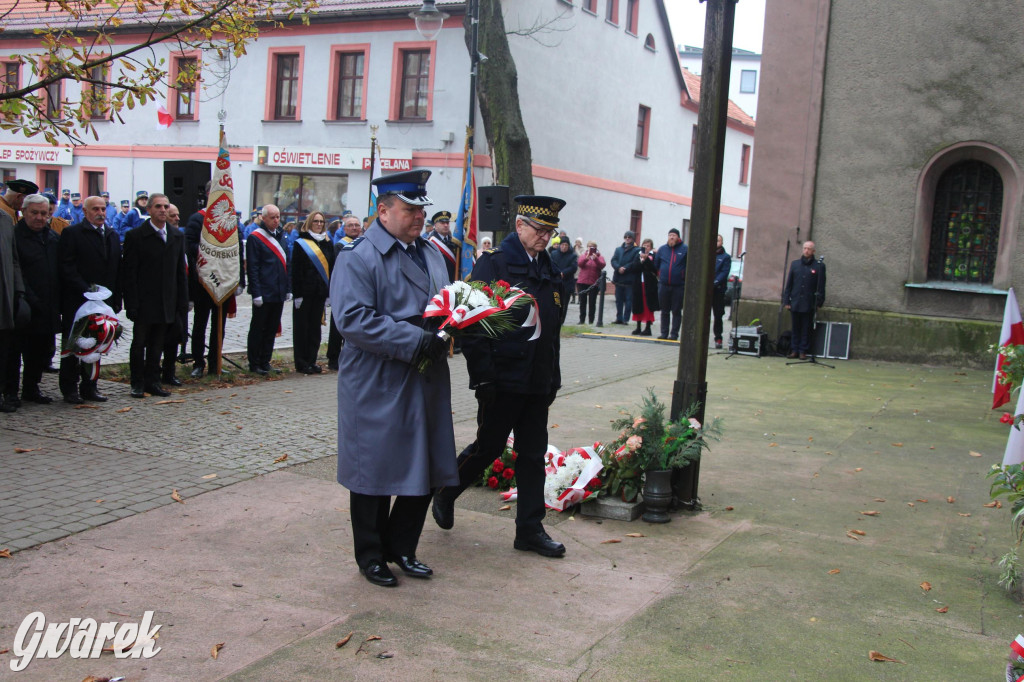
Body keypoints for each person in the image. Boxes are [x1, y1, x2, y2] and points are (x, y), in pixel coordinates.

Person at [331, 169, 457, 587]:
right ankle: (370, 556)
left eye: (421, 208)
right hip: (378, 378)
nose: (419, 216)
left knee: (424, 464)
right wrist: (417, 340)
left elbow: (446, 303)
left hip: (424, 376)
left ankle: (402, 547)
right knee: (374, 470)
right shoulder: (358, 255)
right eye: (409, 209)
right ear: (383, 211)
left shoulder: (433, 253)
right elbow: (352, 319)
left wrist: (458, 327)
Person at [432, 194, 569, 559]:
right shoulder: (494, 265)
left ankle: (529, 529)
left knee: (532, 453)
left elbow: (552, 331)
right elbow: (470, 326)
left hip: (537, 381)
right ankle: (447, 490)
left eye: (551, 233)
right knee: (489, 447)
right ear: (520, 226)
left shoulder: (550, 269)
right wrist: (484, 379)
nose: (545, 238)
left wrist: (552, 377)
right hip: (502, 379)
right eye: (540, 230)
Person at [122, 193, 188, 399]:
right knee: (139, 343)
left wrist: (182, 302)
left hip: (167, 301)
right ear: (149, 210)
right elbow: (129, 273)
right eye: (158, 206)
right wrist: (131, 303)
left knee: (158, 344)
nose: (162, 210)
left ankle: (153, 381)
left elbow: (180, 273)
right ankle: (137, 382)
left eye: (165, 206)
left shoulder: (176, 236)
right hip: (144, 301)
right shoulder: (136, 236)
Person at [58, 195, 122, 404]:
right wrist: (85, 289)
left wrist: (115, 297)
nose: (100, 213)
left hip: (103, 302)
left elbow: (116, 269)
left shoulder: (111, 235)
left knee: (97, 342)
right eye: (95, 209)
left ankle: (90, 386)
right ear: (85, 212)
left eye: (103, 209)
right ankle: (69, 388)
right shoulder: (72, 233)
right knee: (73, 343)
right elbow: (66, 266)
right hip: (78, 301)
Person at [185, 183, 246, 378]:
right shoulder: (196, 219)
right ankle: (198, 362)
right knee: (200, 324)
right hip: (204, 281)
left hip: (225, 280)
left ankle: (215, 362)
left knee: (219, 325)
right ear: (209, 194)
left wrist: (240, 281)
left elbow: (238, 251)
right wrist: (213, 251)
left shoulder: (230, 221)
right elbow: (190, 245)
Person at [7, 194, 59, 405]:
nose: (39, 217)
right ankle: (10, 391)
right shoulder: (14, 236)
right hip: (22, 305)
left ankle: (31, 388)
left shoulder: (53, 237)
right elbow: (15, 272)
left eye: (43, 213)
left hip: (47, 305)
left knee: (40, 352)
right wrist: (29, 297)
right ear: (24, 212)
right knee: (14, 352)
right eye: (34, 213)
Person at [246, 204, 290, 375]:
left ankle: (265, 360)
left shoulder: (281, 236)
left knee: (272, 328)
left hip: (278, 290)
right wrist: (256, 293)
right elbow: (253, 267)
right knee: (259, 328)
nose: (276, 220)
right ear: (263, 218)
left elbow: (287, 263)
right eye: (272, 217)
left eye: (278, 216)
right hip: (264, 292)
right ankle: (254, 362)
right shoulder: (255, 238)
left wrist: (287, 288)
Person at [290, 211, 334, 374]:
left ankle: (312, 360)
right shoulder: (301, 243)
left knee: (315, 329)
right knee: (302, 328)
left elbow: (331, 268)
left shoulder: (328, 243)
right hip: (304, 292)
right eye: (316, 221)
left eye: (322, 222)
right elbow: (296, 270)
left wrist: (329, 292)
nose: (319, 224)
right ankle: (301, 362)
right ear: (309, 223)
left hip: (320, 292)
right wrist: (297, 294)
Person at [326, 214, 362, 371]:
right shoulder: (339, 246)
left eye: (356, 225)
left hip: (359, 289)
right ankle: (333, 358)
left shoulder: (364, 244)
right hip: (343, 289)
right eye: (351, 225)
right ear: (344, 229)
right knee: (337, 327)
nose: (354, 228)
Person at [159, 203, 188, 385]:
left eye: (177, 215)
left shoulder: (178, 236)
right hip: (159, 298)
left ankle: (170, 373)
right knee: (156, 340)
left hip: (177, 298)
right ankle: (154, 373)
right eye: (173, 216)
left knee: (175, 338)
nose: (177, 219)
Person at [0, 196, 24, 413]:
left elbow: (14, 260)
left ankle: (5, 392)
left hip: (4, 298)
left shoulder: (6, 220)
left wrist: (19, 291)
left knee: (5, 349)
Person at [783, 240, 826, 359]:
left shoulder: (819, 266)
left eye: (809, 249)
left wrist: (819, 302)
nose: (806, 251)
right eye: (805, 248)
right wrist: (786, 300)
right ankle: (794, 349)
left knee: (806, 328)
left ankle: (803, 350)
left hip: (809, 302)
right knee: (795, 327)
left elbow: (821, 285)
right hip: (796, 300)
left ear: (813, 251)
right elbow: (789, 283)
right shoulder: (795, 264)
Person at [655, 228, 687, 340]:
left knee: (676, 310)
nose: (671, 237)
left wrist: (683, 276)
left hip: (678, 286)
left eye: (674, 235)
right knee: (664, 310)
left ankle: (674, 334)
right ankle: (664, 333)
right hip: (664, 285)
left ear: (678, 237)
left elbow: (689, 265)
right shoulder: (662, 249)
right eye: (670, 235)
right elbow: (656, 264)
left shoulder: (685, 249)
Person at [610, 230, 640, 324]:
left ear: (632, 239)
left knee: (628, 300)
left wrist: (625, 268)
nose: (627, 238)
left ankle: (625, 319)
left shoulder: (637, 250)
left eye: (629, 237)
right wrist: (618, 267)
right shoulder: (618, 249)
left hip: (629, 279)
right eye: (626, 237)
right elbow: (613, 260)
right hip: (619, 278)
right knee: (618, 300)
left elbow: (634, 262)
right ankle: (619, 317)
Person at [631, 238, 659, 336]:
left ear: (651, 247)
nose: (646, 247)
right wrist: (641, 260)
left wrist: (646, 260)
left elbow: (654, 269)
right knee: (638, 304)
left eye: (648, 246)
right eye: (644, 245)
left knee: (648, 305)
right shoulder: (637, 255)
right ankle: (638, 327)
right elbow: (634, 267)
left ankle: (648, 327)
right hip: (638, 283)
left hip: (649, 284)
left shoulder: (653, 256)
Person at [426, 210, 461, 281]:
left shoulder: (454, 241)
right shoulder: (430, 242)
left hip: (453, 280)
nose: (446, 225)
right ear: (435, 225)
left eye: (447, 223)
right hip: (438, 280)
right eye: (442, 223)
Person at [576, 240, 605, 325]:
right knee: (582, 302)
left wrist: (596, 259)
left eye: (592, 247)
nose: (590, 248)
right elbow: (580, 264)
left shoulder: (599, 257)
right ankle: (582, 320)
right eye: (589, 246)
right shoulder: (584, 255)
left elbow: (602, 265)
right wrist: (586, 258)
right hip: (582, 281)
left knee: (592, 302)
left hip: (594, 282)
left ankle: (591, 320)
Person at [550, 238, 578, 321]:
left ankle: (561, 320)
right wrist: (557, 272)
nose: (564, 247)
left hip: (567, 283)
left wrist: (563, 273)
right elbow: (551, 264)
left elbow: (573, 267)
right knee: (554, 302)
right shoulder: (554, 254)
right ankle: (554, 319)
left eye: (566, 245)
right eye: (562, 245)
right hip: (555, 282)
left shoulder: (573, 255)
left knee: (564, 303)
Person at [712, 234, 732, 349]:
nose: (716, 242)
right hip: (706, 291)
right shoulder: (707, 255)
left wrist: (715, 282)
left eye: (718, 240)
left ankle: (718, 338)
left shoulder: (725, 257)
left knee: (718, 315)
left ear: (722, 243)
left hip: (718, 291)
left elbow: (724, 272)